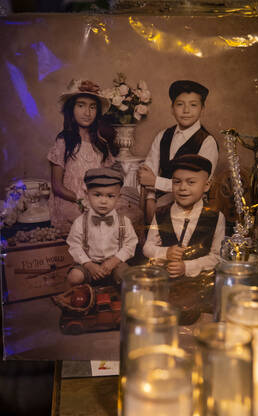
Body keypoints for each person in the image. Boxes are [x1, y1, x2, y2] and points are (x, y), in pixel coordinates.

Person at [138, 80, 219, 222]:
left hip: (190, 210)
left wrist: (156, 182)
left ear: (202, 109)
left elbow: (196, 187)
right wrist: (150, 201)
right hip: (157, 205)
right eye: (180, 104)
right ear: (172, 108)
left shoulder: (207, 142)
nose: (186, 111)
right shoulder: (163, 135)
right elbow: (147, 174)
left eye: (193, 105)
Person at [48, 79, 116, 230]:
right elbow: (57, 186)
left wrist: (100, 200)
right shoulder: (63, 142)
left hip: (97, 202)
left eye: (92, 107)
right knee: (91, 225)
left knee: (124, 218)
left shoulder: (101, 144)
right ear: (71, 110)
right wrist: (81, 200)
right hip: (72, 202)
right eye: (81, 106)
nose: (87, 113)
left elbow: (107, 180)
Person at [143, 154, 225, 279]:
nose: (182, 188)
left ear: (207, 185)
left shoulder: (216, 217)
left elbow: (217, 257)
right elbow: (147, 248)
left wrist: (187, 267)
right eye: (177, 182)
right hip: (166, 281)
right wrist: (166, 253)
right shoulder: (161, 213)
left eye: (191, 182)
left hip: (200, 283)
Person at [66, 168, 138, 286]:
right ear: (87, 194)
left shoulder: (124, 222)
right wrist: (88, 264)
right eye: (97, 195)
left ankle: (117, 295)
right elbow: (74, 245)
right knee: (74, 277)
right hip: (89, 263)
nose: (103, 201)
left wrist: (115, 260)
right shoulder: (80, 222)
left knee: (128, 277)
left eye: (110, 196)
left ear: (119, 197)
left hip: (115, 263)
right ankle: (85, 294)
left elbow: (130, 243)